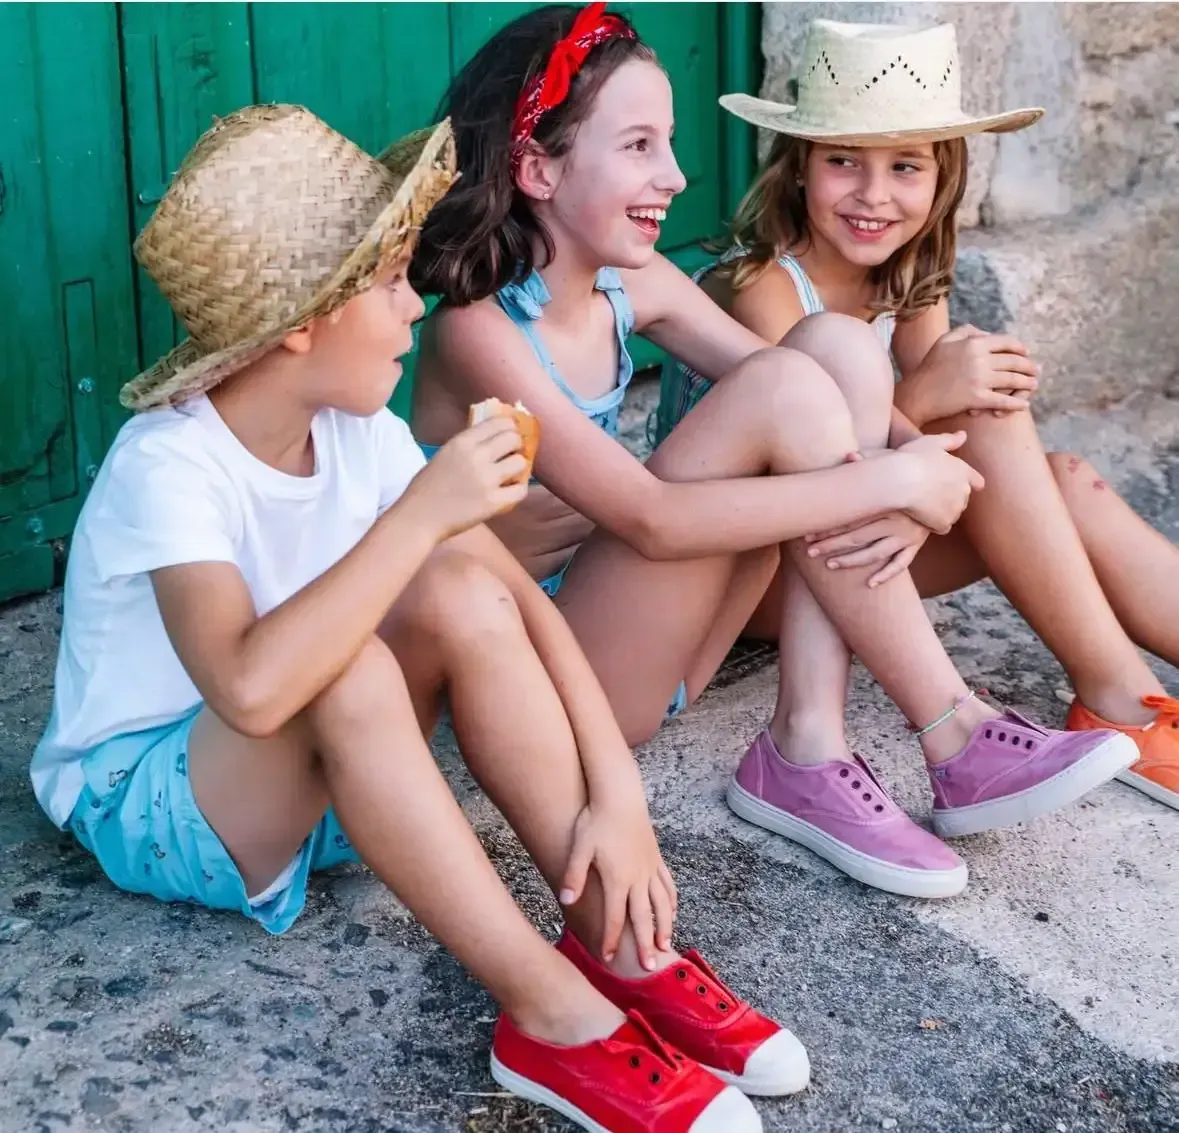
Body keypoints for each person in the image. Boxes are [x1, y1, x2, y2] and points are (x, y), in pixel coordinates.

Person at [29, 103, 806, 1133]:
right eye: (392, 280)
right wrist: (422, 514)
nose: (416, 304)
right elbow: (252, 686)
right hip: (166, 796)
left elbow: (518, 604)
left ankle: (620, 942)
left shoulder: (353, 428)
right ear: (303, 318)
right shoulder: (167, 464)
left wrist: (618, 795)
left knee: (458, 588)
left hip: (335, 781)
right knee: (347, 659)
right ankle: (552, 1015)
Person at [409, 3, 1136, 903]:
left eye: (669, 144)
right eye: (638, 145)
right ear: (537, 167)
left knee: (829, 346)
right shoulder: (479, 333)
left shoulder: (629, 281)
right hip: (563, 680)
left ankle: (810, 743)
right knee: (797, 379)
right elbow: (651, 517)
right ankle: (950, 726)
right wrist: (890, 478)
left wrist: (922, 465)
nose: (674, 175)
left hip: (664, 634)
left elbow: (814, 385)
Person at [657, 18, 1178, 813]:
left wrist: (920, 464)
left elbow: (945, 438)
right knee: (967, 399)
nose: (873, 195)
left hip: (842, 534)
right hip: (752, 569)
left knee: (1061, 476)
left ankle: (1128, 696)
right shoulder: (761, 286)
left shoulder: (905, 270)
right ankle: (1122, 702)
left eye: (904, 166)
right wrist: (922, 417)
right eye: (843, 163)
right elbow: (795, 452)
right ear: (798, 169)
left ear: (941, 179)